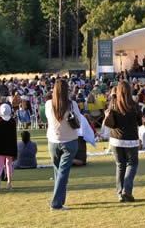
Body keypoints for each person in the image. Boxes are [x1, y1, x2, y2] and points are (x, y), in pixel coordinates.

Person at [104, 80, 142, 202]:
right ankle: (127, 189)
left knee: (120, 166)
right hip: (131, 139)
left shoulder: (113, 103)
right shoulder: (134, 105)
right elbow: (140, 122)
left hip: (116, 139)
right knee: (132, 164)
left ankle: (120, 194)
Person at [46, 79, 81, 211]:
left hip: (53, 141)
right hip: (69, 141)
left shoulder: (49, 104)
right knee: (62, 173)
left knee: (58, 172)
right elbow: (79, 122)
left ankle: (60, 199)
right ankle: (56, 203)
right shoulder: (72, 105)